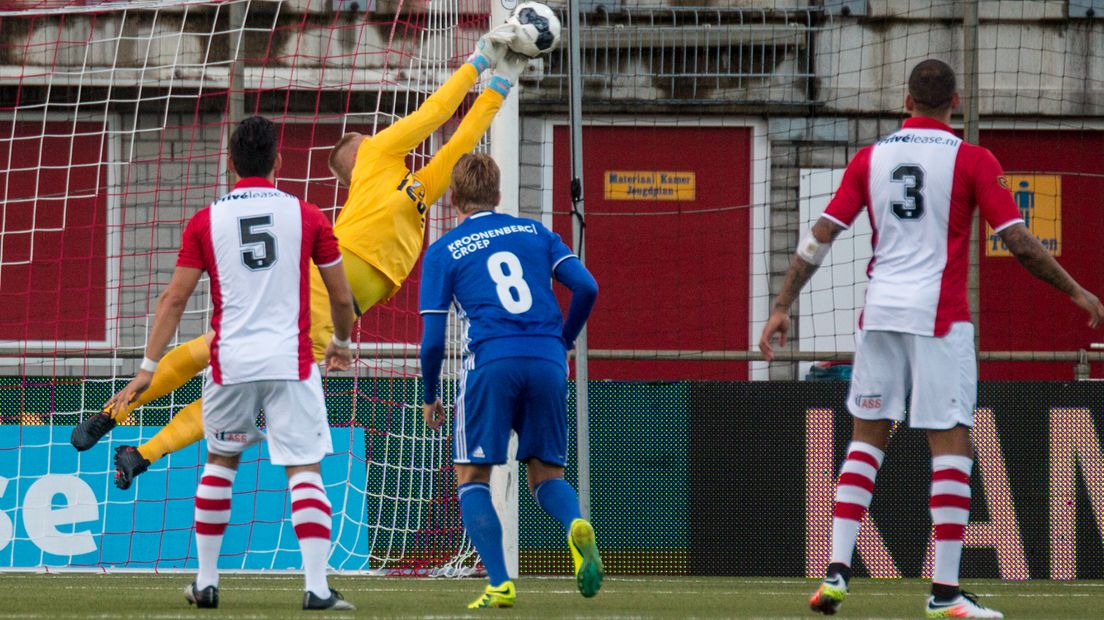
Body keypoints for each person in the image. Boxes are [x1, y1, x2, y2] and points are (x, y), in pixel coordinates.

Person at [71, 26, 531, 490]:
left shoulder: (412, 189)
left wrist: (501, 84)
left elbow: (460, 142)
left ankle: (140, 453)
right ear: (356, 154)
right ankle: (110, 414)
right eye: (360, 138)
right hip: (322, 289)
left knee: (238, 388)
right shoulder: (375, 155)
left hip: (337, 313)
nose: (365, 135)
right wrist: (479, 60)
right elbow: (436, 112)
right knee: (217, 357)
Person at [759, 59, 1104, 619]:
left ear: (905, 100)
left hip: (880, 314)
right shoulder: (971, 159)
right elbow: (1017, 241)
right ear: (957, 102)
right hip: (939, 317)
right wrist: (1076, 291)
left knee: (865, 440)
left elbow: (820, 235)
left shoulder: (871, 157)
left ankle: (838, 571)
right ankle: (945, 595)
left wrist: (780, 307)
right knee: (951, 446)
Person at [109, 116, 357, 610]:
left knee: (221, 463)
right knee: (304, 470)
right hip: (292, 362)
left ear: (230, 164)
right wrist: (343, 342)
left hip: (230, 362)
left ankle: (205, 582)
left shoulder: (207, 219)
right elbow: (341, 296)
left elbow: (174, 299)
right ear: (278, 163)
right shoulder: (308, 216)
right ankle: (316, 588)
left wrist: (147, 366)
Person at [419, 153, 601, 609]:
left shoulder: (444, 250)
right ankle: (575, 525)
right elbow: (588, 288)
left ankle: (499, 582)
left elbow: (431, 341)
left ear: (454, 198)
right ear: (499, 196)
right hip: (547, 361)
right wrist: (562, 341)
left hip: (492, 361)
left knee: (472, 474)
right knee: (546, 474)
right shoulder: (538, 233)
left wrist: (430, 394)